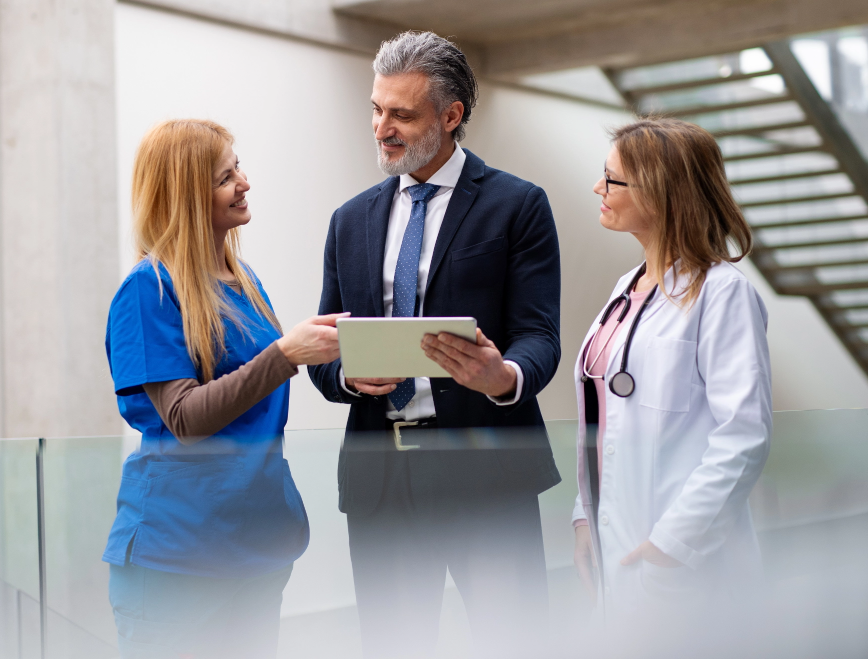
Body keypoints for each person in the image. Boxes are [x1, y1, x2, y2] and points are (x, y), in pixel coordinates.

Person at [308, 31, 562, 658]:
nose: (381, 127)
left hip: (488, 473)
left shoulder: (518, 206)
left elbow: (541, 336)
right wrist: (345, 376)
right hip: (383, 478)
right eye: (375, 109)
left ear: (451, 117)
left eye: (402, 114)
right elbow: (325, 346)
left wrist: (501, 376)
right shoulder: (350, 220)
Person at [103, 119, 345, 658]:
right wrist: (284, 354)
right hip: (178, 557)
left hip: (257, 546)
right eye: (225, 177)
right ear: (188, 196)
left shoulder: (245, 280)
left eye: (238, 169)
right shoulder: (149, 291)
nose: (245, 183)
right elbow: (185, 418)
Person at [571, 118, 772, 616]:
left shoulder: (722, 294)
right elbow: (603, 419)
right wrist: (584, 518)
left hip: (682, 560)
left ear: (662, 192)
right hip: (614, 542)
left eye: (612, 179)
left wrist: (673, 546)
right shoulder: (626, 289)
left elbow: (743, 435)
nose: (599, 187)